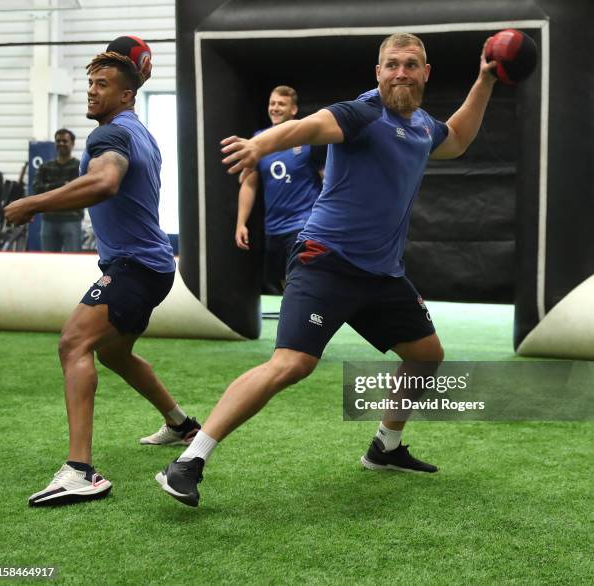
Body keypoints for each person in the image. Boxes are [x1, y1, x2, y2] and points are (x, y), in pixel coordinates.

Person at [156, 33, 499, 508]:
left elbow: (458, 139)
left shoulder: (422, 127)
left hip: (381, 275)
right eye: (392, 65)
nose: (401, 72)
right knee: (292, 364)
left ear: (425, 73)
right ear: (377, 73)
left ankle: (385, 447)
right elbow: (311, 126)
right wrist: (262, 144)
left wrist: (484, 79)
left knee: (425, 355)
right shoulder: (362, 113)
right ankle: (190, 460)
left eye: (411, 64)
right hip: (327, 261)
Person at [4, 49, 200, 507]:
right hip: (146, 265)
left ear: (127, 94)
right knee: (115, 354)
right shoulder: (140, 133)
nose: (92, 91)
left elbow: (105, 182)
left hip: (135, 267)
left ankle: (79, 472)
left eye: (103, 85)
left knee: (74, 343)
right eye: (90, 84)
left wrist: (33, 203)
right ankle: (179, 424)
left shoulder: (111, 135)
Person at [235, 86, 325, 292]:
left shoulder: (308, 139)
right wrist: (241, 223)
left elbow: (327, 181)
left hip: (303, 224)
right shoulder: (257, 141)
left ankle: (303, 320)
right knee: (282, 281)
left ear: (293, 110)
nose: (275, 108)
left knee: (296, 278)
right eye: (272, 103)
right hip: (274, 228)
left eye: (281, 104)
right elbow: (249, 183)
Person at [33, 129, 83, 252]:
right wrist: (63, 185)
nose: (61, 143)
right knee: (48, 263)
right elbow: (37, 189)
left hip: (71, 221)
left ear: (72, 144)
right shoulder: (45, 167)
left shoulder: (80, 167)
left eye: (65, 141)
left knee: (73, 262)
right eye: (58, 141)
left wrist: (49, 188)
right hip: (49, 221)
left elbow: (78, 192)